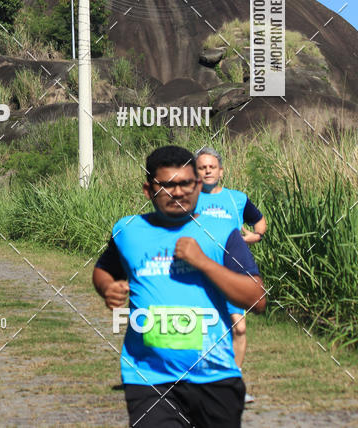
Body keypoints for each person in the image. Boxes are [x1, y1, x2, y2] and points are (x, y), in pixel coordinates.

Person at [93, 145, 266, 428]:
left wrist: (204, 263)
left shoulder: (222, 232)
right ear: (149, 190)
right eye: (167, 185)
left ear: (198, 184)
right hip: (149, 378)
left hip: (215, 377)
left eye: (186, 183)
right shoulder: (128, 231)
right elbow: (103, 270)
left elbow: (257, 299)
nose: (178, 191)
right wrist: (107, 287)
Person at [194, 146, 267, 402]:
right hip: (199, 274)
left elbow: (260, 222)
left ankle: (232, 384)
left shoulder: (237, 199)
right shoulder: (186, 200)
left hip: (232, 274)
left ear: (221, 171)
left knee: (239, 328)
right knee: (200, 330)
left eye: (212, 166)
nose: (207, 170)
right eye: (202, 167)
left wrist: (254, 237)